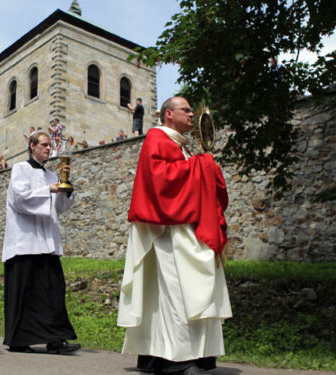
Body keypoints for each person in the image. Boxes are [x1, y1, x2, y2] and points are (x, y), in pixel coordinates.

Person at [117, 97, 232, 375]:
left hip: (180, 225)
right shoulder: (157, 139)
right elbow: (161, 180)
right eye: (186, 110)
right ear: (168, 114)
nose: (192, 114)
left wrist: (200, 166)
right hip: (165, 228)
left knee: (176, 291)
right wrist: (200, 167)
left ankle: (168, 354)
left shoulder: (179, 145)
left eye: (192, 110)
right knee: (178, 292)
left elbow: (184, 180)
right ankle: (179, 359)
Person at [2, 132, 80, 354]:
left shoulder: (51, 175)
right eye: (44, 145)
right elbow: (20, 199)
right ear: (32, 146)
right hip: (24, 241)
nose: (48, 149)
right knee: (24, 291)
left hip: (47, 241)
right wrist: (49, 189)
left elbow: (60, 207)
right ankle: (19, 339)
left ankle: (56, 339)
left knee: (53, 290)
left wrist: (66, 186)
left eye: (50, 145)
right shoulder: (20, 169)